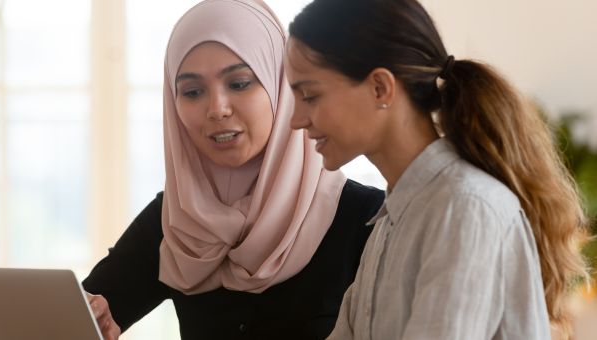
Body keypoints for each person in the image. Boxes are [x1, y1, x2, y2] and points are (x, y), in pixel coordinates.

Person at [284, 0, 590, 339]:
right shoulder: (393, 220)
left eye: (309, 96)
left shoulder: (465, 209)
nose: (296, 119)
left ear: (380, 88)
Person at [82, 1, 384, 339]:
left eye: (239, 83)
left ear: (280, 86)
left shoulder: (368, 219)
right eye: (193, 91)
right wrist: (93, 320)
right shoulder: (177, 220)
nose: (217, 109)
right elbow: (83, 310)